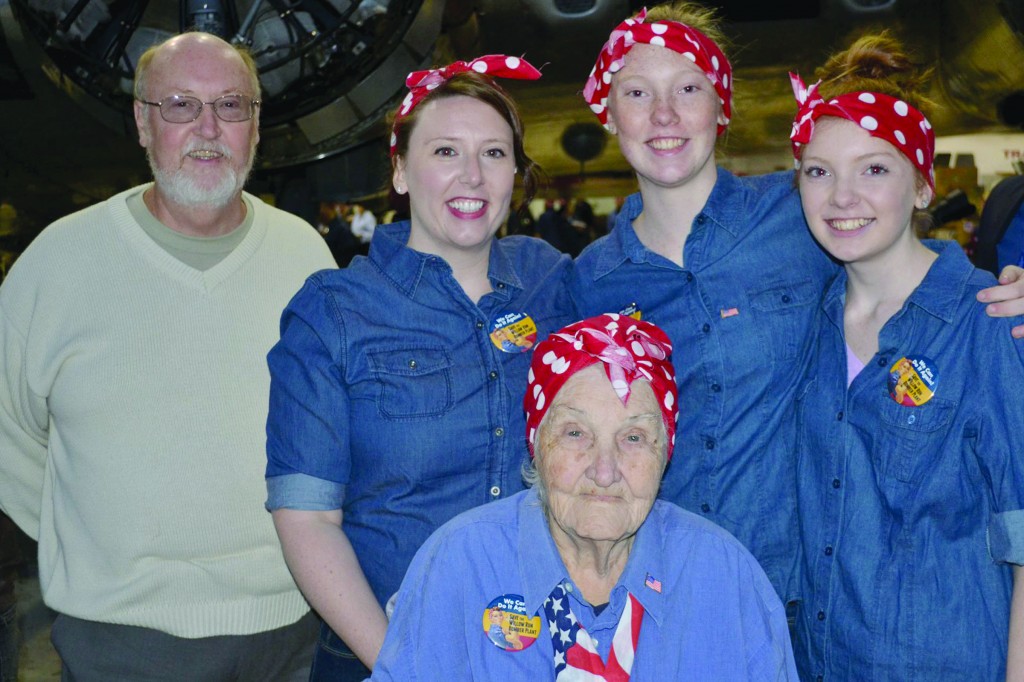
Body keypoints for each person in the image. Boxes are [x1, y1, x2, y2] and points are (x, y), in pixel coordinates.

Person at [571, 2, 1024, 605]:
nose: (664, 114)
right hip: (656, 599)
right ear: (607, 111)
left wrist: (999, 294)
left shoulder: (799, 217)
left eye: (687, 87)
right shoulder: (586, 282)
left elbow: (897, 246)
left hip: (794, 604)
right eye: (636, 91)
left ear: (721, 106)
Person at [0, 32, 335, 681]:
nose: (208, 129)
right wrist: (91, 534)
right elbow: (6, 427)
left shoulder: (304, 255)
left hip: (292, 627)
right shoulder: (60, 262)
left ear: (256, 126)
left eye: (231, 106)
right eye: (180, 105)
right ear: (142, 123)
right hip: (123, 641)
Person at [265, 55, 577, 680]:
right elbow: (307, 519)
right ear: (402, 170)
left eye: (493, 153)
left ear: (515, 173)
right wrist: (406, 666)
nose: (472, 175)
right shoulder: (334, 311)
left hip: (542, 652)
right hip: (383, 653)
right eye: (444, 152)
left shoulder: (551, 282)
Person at [371, 314, 797, 680]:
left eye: (633, 437)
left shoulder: (726, 577)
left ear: (664, 456)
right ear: (537, 446)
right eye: (576, 433)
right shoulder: (459, 565)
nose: (605, 470)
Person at [788, 33, 1024, 680]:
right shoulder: (800, 325)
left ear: (923, 188)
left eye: (874, 168)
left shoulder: (989, 320)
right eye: (818, 171)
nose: (841, 197)